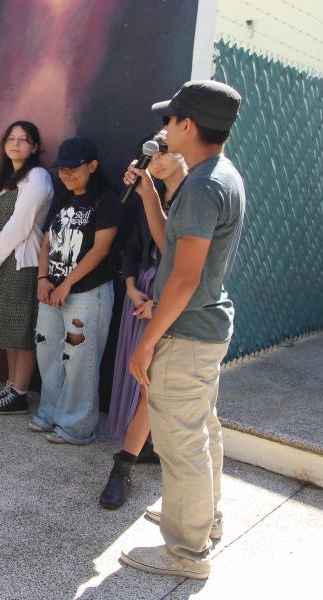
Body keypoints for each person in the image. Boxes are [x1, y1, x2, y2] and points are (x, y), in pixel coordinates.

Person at [118, 80, 245, 580]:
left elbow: (186, 276)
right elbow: (175, 248)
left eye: (171, 120)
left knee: (180, 442)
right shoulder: (215, 176)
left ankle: (185, 552)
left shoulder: (203, 185)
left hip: (187, 332)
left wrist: (146, 343)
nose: (166, 128)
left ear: (187, 125)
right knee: (202, 430)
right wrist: (150, 193)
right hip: (205, 328)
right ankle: (203, 520)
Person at [100, 129, 187, 509]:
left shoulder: (194, 198)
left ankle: (123, 467)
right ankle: (141, 450)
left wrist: (160, 302)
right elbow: (133, 250)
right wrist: (133, 287)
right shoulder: (145, 196)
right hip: (142, 298)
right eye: (152, 152)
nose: (157, 158)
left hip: (174, 301)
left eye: (165, 151)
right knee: (140, 383)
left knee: (151, 386)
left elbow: (187, 263)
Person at [30, 137, 118, 443]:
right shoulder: (62, 199)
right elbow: (45, 243)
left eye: (73, 167)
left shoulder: (105, 199)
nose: (65, 173)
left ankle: (77, 427)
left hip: (86, 292)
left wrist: (67, 284)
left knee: (81, 360)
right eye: (61, 168)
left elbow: (101, 249)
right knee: (48, 351)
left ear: (92, 166)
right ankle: (50, 414)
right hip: (52, 290)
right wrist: (43, 279)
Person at [0, 121, 53, 415]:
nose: (16, 144)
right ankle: (11, 385)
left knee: (22, 330)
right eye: (11, 139)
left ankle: (20, 392)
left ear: (34, 146)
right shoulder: (9, 179)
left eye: (24, 140)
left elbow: (20, 225)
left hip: (21, 264)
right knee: (9, 329)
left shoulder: (38, 176)